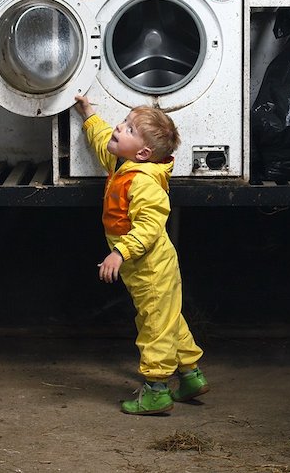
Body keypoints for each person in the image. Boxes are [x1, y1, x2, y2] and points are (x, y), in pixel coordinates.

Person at [73, 94, 209, 415]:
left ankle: (156, 391)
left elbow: (148, 227)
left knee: (153, 326)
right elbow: (101, 139)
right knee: (169, 320)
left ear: (144, 152)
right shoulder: (124, 165)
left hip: (151, 269)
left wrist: (119, 252)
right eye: (123, 122)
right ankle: (190, 375)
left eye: (128, 128)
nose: (118, 128)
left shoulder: (145, 184)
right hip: (152, 267)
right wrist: (89, 113)